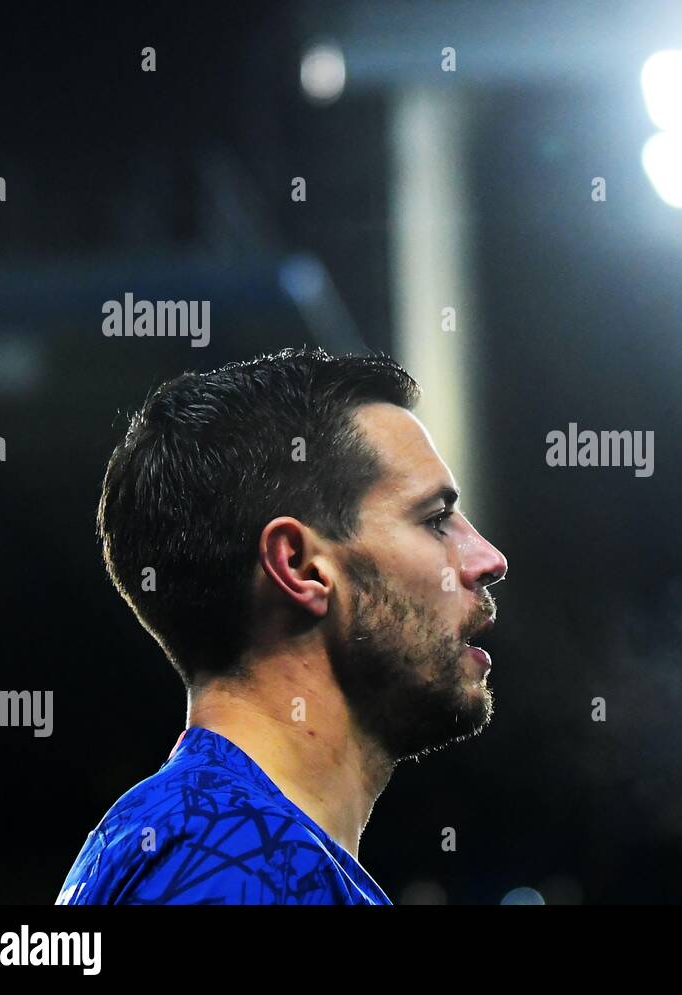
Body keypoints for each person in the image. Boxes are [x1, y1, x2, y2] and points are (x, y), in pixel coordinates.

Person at [56, 346, 508, 904]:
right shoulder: (241, 858)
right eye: (436, 519)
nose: (489, 558)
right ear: (298, 566)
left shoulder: (207, 839)